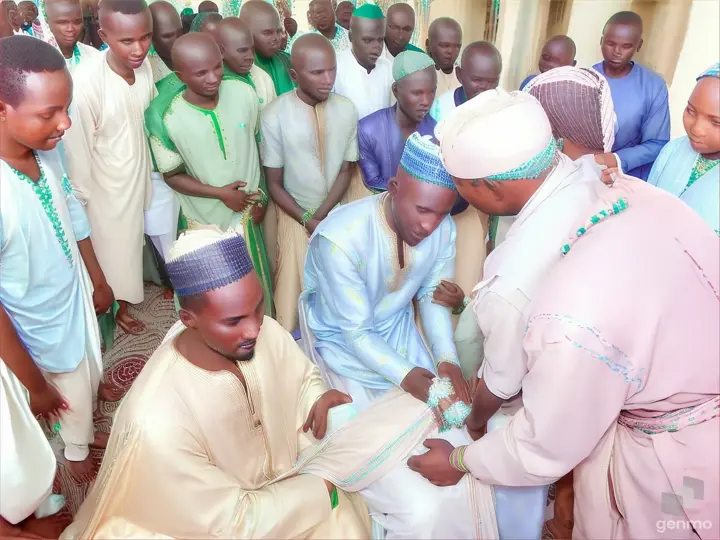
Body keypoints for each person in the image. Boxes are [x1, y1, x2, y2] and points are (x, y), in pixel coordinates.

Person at [416, 86, 720, 540]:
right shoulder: (611, 181)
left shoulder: (532, 295)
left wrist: (461, 459)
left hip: (669, 456)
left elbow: (545, 443)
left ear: (489, 188)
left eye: (457, 185)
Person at [59, 227, 371, 538]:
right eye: (233, 320)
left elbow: (302, 378)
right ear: (188, 320)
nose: (254, 329)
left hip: (290, 484)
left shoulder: (265, 332)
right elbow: (231, 525)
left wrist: (316, 398)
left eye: (258, 307)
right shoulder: (159, 422)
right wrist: (320, 488)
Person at [302, 133, 491, 539]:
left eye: (442, 214)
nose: (430, 224)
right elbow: (355, 332)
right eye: (422, 209)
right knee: (409, 497)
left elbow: (429, 294)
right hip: (347, 354)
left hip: (402, 340)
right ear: (393, 188)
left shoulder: (441, 228)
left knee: (462, 461)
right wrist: (409, 376)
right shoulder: (340, 240)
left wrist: (446, 360)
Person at [0, 36, 123, 483]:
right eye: (48, 113)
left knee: (89, 364)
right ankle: (74, 453)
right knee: (62, 390)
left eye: (65, 108)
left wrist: (96, 277)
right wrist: (34, 385)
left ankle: (84, 431)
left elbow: (71, 213)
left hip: (73, 294)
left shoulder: (49, 151)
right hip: (37, 323)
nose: (65, 123)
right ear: (2, 110)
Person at [145, 32, 273, 314]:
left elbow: (256, 145)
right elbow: (172, 175)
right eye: (201, 73)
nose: (213, 77)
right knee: (215, 299)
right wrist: (220, 194)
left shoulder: (243, 91)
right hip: (204, 223)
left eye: (217, 67)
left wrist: (261, 196)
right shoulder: (163, 116)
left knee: (258, 289)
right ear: (180, 75)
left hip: (248, 215)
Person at [62, 0, 156, 335]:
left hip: (137, 176)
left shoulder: (145, 68)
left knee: (130, 248)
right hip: (103, 189)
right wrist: (81, 205)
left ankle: (122, 304)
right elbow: (77, 152)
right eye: (127, 41)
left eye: (146, 37)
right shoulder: (85, 83)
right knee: (110, 253)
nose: (139, 48)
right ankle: (108, 316)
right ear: (103, 35)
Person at [261, 33, 358, 332]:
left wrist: (324, 215)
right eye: (317, 72)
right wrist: (307, 219)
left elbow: (347, 169)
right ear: (294, 75)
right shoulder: (274, 115)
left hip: (336, 211)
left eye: (331, 70)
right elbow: (274, 184)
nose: (327, 79)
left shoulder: (346, 108)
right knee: (293, 292)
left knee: (344, 287)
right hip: (294, 214)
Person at [592, 11, 669, 180]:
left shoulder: (653, 86)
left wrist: (618, 159)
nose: (617, 52)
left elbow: (657, 143)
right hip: (581, 171)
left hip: (625, 178)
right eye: (610, 43)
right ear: (601, 41)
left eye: (626, 46)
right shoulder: (584, 79)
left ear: (638, 45)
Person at [649, 63, 719, 234]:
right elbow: (646, 204)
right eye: (691, 111)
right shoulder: (672, 150)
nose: (696, 129)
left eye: (716, 122)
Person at [358, 50, 436, 194]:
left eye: (432, 92)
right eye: (417, 93)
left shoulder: (438, 132)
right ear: (395, 91)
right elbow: (372, 180)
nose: (426, 101)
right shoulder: (367, 129)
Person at [419, 40, 501, 137]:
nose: (484, 87)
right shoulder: (441, 109)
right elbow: (425, 145)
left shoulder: (504, 108)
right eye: (476, 80)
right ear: (459, 75)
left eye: (492, 81)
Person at [333, 3, 393, 120]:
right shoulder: (335, 67)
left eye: (380, 40)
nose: (377, 47)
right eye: (367, 40)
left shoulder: (387, 67)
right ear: (351, 37)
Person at [214, 17, 276, 109]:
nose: (251, 57)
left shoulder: (263, 78)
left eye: (252, 49)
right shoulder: (211, 84)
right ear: (221, 51)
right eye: (242, 51)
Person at [240, 0, 295, 96]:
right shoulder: (239, 68)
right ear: (246, 31)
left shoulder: (288, 60)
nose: (276, 38)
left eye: (278, 31)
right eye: (267, 33)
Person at [45, 0, 99, 74]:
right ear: (48, 22)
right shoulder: (38, 58)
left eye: (77, 22)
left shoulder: (93, 56)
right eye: (63, 22)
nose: (70, 29)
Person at [147, 0, 182, 84]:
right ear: (151, 37)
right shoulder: (147, 73)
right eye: (168, 36)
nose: (177, 40)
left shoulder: (193, 56)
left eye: (180, 32)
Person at [425, 17, 461, 95]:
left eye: (457, 46)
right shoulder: (418, 77)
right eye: (444, 45)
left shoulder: (465, 77)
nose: (450, 51)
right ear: (428, 45)